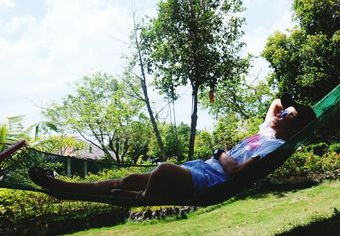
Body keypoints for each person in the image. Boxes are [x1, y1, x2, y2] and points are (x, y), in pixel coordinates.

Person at [29, 94, 316, 203]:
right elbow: (277, 100)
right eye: (281, 114)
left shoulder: (275, 145)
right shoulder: (268, 127)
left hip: (212, 179)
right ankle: (62, 188)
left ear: (295, 128)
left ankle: (141, 198)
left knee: (163, 170)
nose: (279, 115)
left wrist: (219, 153)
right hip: (203, 167)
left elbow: (236, 170)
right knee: (128, 178)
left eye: (286, 116)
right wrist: (290, 108)